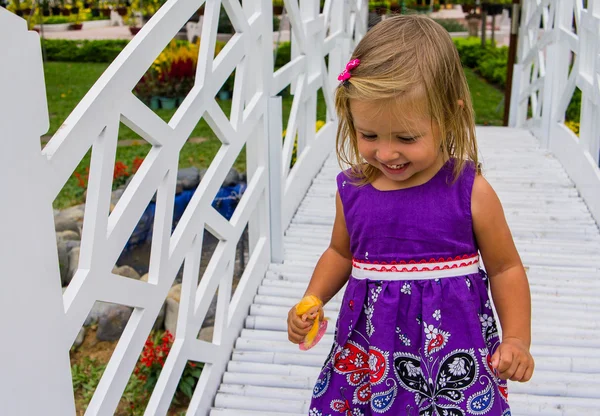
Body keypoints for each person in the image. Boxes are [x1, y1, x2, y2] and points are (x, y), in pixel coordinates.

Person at [286, 15, 534, 416]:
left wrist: (517, 339)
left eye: (406, 137)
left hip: (454, 356)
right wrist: (312, 298)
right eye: (369, 135)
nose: (386, 153)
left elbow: (506, 268)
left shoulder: (469, 191)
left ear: (449, 118)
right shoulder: (354, 191)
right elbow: (340, 254)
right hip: (372, 354)